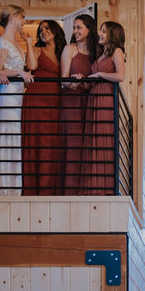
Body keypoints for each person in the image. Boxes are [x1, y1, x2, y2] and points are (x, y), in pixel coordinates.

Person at [0, 5, 36, 195]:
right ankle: (2, 187)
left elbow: (32, 65)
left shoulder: (16, 43)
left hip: (18, 96)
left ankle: (13, 187)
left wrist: (29, 42)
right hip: (7, 96)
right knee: (6, 137)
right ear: (14, 17)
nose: (24, 22)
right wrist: (18, 72)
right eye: (23, 18)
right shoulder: (2, 42)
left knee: (14, 137)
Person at [22, 20, 68, 195]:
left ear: (56, 31)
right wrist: (27, 42)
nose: (43, 32)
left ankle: (50, 188)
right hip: (37, 101)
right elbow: (32, 66)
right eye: (41, 30)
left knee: (51, 144)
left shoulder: (63, 51)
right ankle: (32, 189)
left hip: (56, 103)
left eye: (47, 28)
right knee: (37, 142)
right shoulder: (37, 50)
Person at [81, 21, 126, 195]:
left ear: (113, 34)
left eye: (104, 31)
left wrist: (99, 74)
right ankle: (91, 185)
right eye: (100, 31)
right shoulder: (101, 54)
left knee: (101, 137)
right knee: (93, 137)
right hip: (94, 96)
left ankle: (102, 187)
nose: (100, 34)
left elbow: (121, 76)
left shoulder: (117, 52)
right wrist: (85, 78)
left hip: (106, 98)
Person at [60, 14, 97, 195]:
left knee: (86, 142)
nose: (75, 31)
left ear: (89, 29)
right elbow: (63, 79)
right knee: (73, 143)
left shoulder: (96, 52)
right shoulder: (69, 49)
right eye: (74, 28)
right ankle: (70, 190)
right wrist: (73, 81)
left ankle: (85, 189)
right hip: (72, 100)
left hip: (88, 101)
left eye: (79, 27)